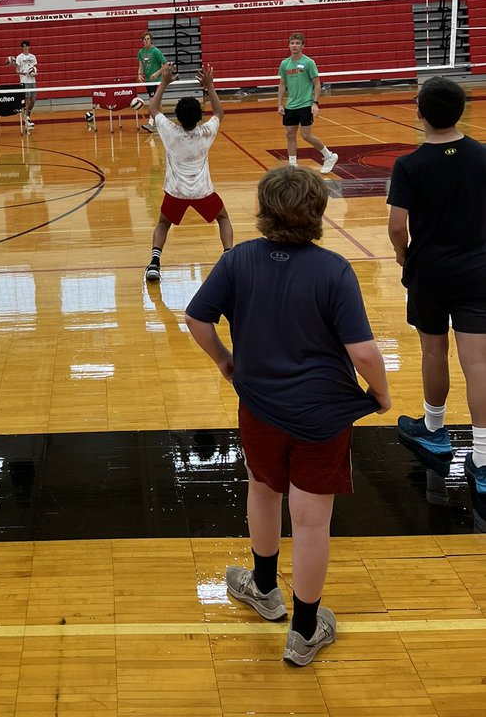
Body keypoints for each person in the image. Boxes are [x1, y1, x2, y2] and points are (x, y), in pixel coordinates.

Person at [184, 165, 389, 667]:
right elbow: (362, 352)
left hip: (260, 406)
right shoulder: (333, 270)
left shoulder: (237, 261)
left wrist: (224, 361)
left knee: (261, 487)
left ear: (263, 210)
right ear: (318, 213)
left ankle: (264, 587)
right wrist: (380, 394)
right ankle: (303, 631)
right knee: (311, 521)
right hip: (322, 417)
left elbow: (195, 317)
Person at [386, 76, 486, 499]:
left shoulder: (409, 165)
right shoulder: (483, 156)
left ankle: (434, 429)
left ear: (420, 112)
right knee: (478, 363)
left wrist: (404, 255)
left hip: (429, 273)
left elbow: (396, 226)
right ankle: (482, 457)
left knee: (433, 349)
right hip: (478, 272)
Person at [145, 61, 233, 282]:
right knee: (223, 218)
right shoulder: (206, 132)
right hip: (203, 191)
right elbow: (219, 113)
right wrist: (209, 86)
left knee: (163, 224)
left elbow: (153, 109)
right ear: (198, 117)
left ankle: (154, 263)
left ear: (177, 116)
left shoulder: (170, 131)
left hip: (176, 192)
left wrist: (163, 83)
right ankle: (229, 257)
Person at [277, 32, 338, 174]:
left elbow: (317, 84)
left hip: (305, 103)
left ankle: (329, 156)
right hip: (291, 105)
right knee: (290, 134)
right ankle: (293, 165)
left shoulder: (309, 62)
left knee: (306, 135)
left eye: (297, 43)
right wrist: (280, 104)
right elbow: (281, 84)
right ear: (289, 45)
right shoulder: (284, 63)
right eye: (292, 43)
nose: (294, 46)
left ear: (303, 46)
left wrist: (315, 103)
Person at [136, 31, 166, 133]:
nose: (146, 41)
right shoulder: (140, 52)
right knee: (157, 102)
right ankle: (162, 124)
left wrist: (157, 74)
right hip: (148, 81)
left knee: (152, 101)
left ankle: (151, 123)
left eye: (148, 39)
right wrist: (139, 75)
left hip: (156, 80)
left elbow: (166, 64)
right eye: (145, 39)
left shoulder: (156, 51)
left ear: (151, 40)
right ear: (142, 41)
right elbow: (141, 66)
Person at [7, 40, 37, 130]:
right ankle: (27, 120)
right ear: (22, 47)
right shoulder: (19, 57)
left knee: (33, 99)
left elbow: (35, 68)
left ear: (29, 47)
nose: (25, 48)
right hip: (24, 81)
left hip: (32, 81)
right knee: (27, 99)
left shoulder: (33, 57)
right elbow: (17, 70)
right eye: (24, 46)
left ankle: (28, 115)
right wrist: (23, 73)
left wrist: (35, 73)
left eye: (27, 46)